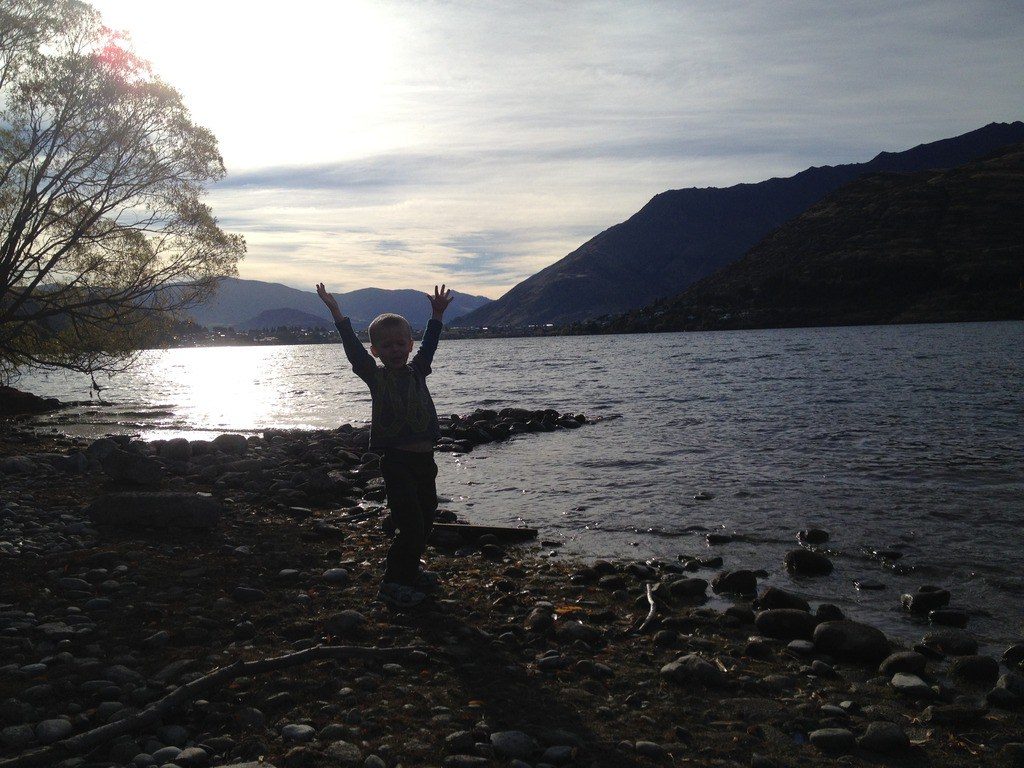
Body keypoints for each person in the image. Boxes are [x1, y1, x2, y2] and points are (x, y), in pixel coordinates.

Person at [316, 282, 454, 608]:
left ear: (409, 345)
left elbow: (431, 345)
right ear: (375, 350)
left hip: (425, 461)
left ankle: (410, 572)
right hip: (396, 462)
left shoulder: (418, 370)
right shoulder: (375, 376)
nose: (394, 349)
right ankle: (392, 583)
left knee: (427, 517)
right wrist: (338, 314)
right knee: (410, 524)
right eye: (386, 345)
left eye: (400, 343)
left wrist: (436, 316)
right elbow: (353, 349)